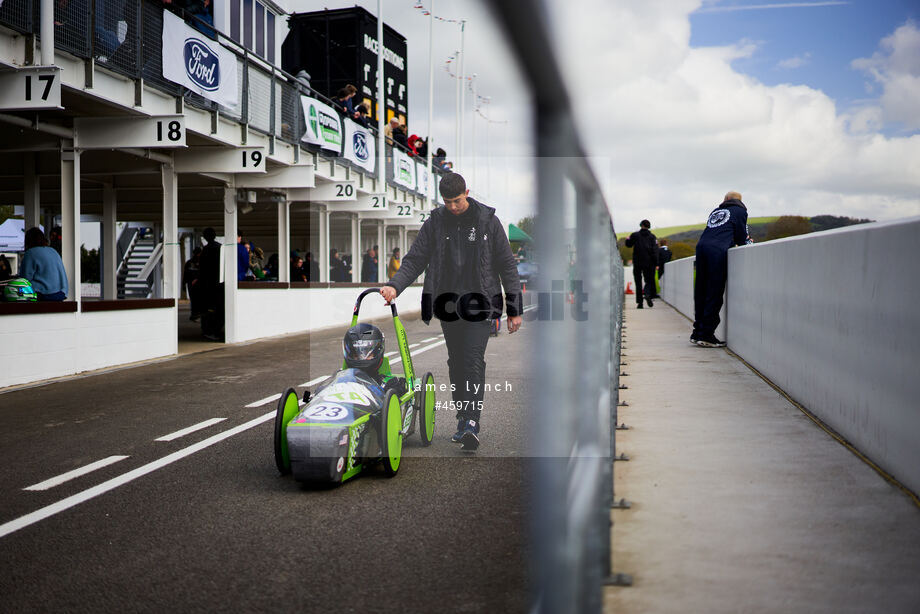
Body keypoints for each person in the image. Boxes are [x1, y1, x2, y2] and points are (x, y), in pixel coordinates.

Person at [381, 172, 522, 451]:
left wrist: (514, 310)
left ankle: (471, 422)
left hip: (479, 305)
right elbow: (415, 259)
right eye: (448, 202)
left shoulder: (488, 222)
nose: (454, 207)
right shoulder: (435, 222)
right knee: (456, 363)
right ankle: (462, 418)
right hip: (448, 306)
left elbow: (507, 266)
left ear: (467, 193)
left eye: (457, 200)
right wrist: (395, 285)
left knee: (471, 360)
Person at [692, 191, 753, 348]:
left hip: (702, 248)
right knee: (714, 292)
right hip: (717, 251)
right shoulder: (740, 211)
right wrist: (747, 242)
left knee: (701, 291)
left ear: (726, 199)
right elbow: (741, 235)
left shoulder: (716, 211)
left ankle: (697, 332)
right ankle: (706, 335)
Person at [18, 227, 68, 301]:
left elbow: (25, 280)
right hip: (60, 294)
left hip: (42, 295)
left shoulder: (30, 253)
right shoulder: (53, 251)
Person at [625, 220, 658, 309]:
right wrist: (656, 263)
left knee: (638, 281)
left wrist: (627, 239)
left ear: (641, 225)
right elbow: (655, 250)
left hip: (637, 262)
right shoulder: (652, 237)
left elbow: (628, 245)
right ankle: (647, 293)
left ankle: (640, 303)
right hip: (649, 262)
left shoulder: (635, 235)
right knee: (649, 280)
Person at [199, 227, 223, 340]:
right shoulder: (220, 248)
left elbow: (202, 269)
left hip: (207, 285)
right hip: (219, 283)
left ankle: (208, 331)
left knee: (208, 310)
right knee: (219, 309)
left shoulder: (206, 250)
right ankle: (216, 330)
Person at [183, 247, 202, 321]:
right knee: (196, 299)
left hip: (191, 283)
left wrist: (184, 284)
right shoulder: (200, 262)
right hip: (196, 284)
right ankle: (195, 314)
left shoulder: (189, 262)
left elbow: (185, 274)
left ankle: (194, 314)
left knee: (193, 299)